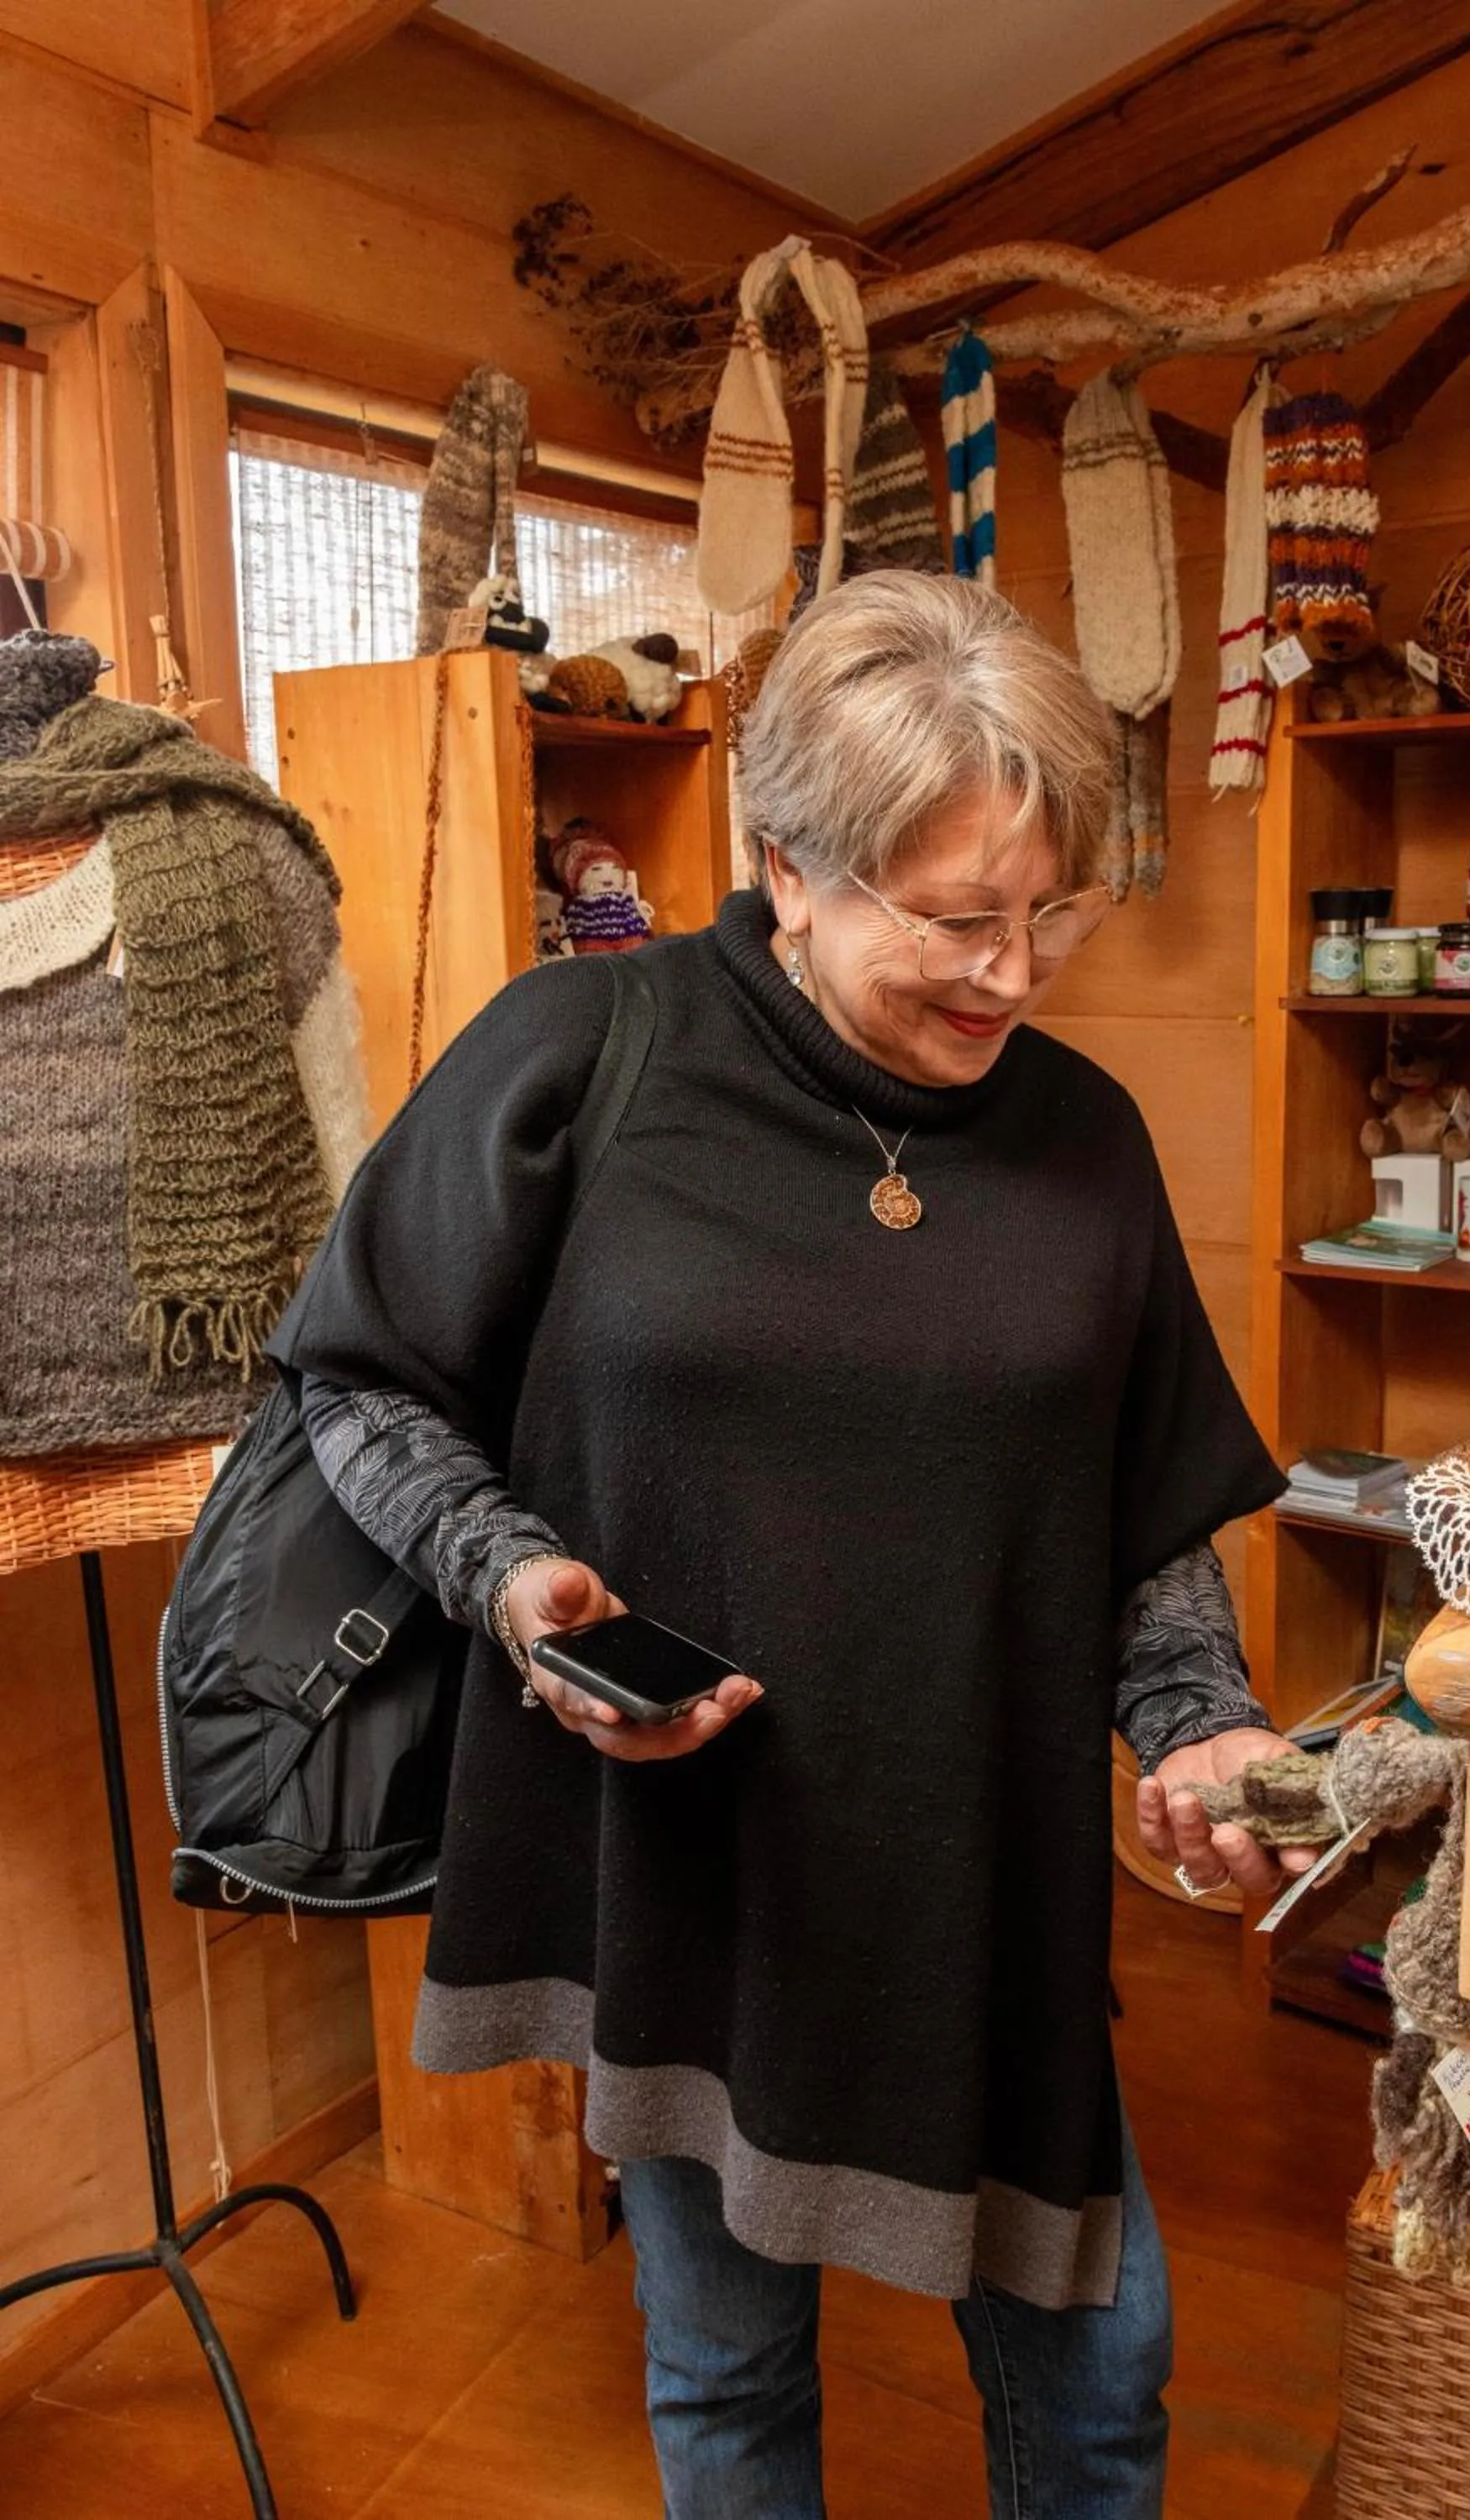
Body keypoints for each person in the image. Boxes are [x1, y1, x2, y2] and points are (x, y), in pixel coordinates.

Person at [274, 571, 1308, 2520]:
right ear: (789, 869)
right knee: (728, 2375)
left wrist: (1193, 1724)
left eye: (1048, 916)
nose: (1012, 978)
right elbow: (364, 1382)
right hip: (694, 1868)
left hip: (985, 1886)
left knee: (1104, 2379)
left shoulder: (1080, 1135)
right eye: (954, 921)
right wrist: (516, 1586)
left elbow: (1132, 1499)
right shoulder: (590, 1053)